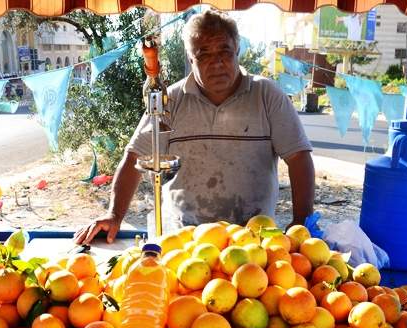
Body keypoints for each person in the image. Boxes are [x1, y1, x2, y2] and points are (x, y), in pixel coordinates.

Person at [75, 10, 315, 244]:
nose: (217, 62)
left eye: (225, 51)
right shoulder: (171, 101)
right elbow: (134, 158)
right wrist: (114, 215)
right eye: (204, 54)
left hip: (251, 244)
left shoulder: (267, 95)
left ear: (237, 51)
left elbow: (298, 158)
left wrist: (300, 224)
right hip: (183, 241)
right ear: (191, 59)